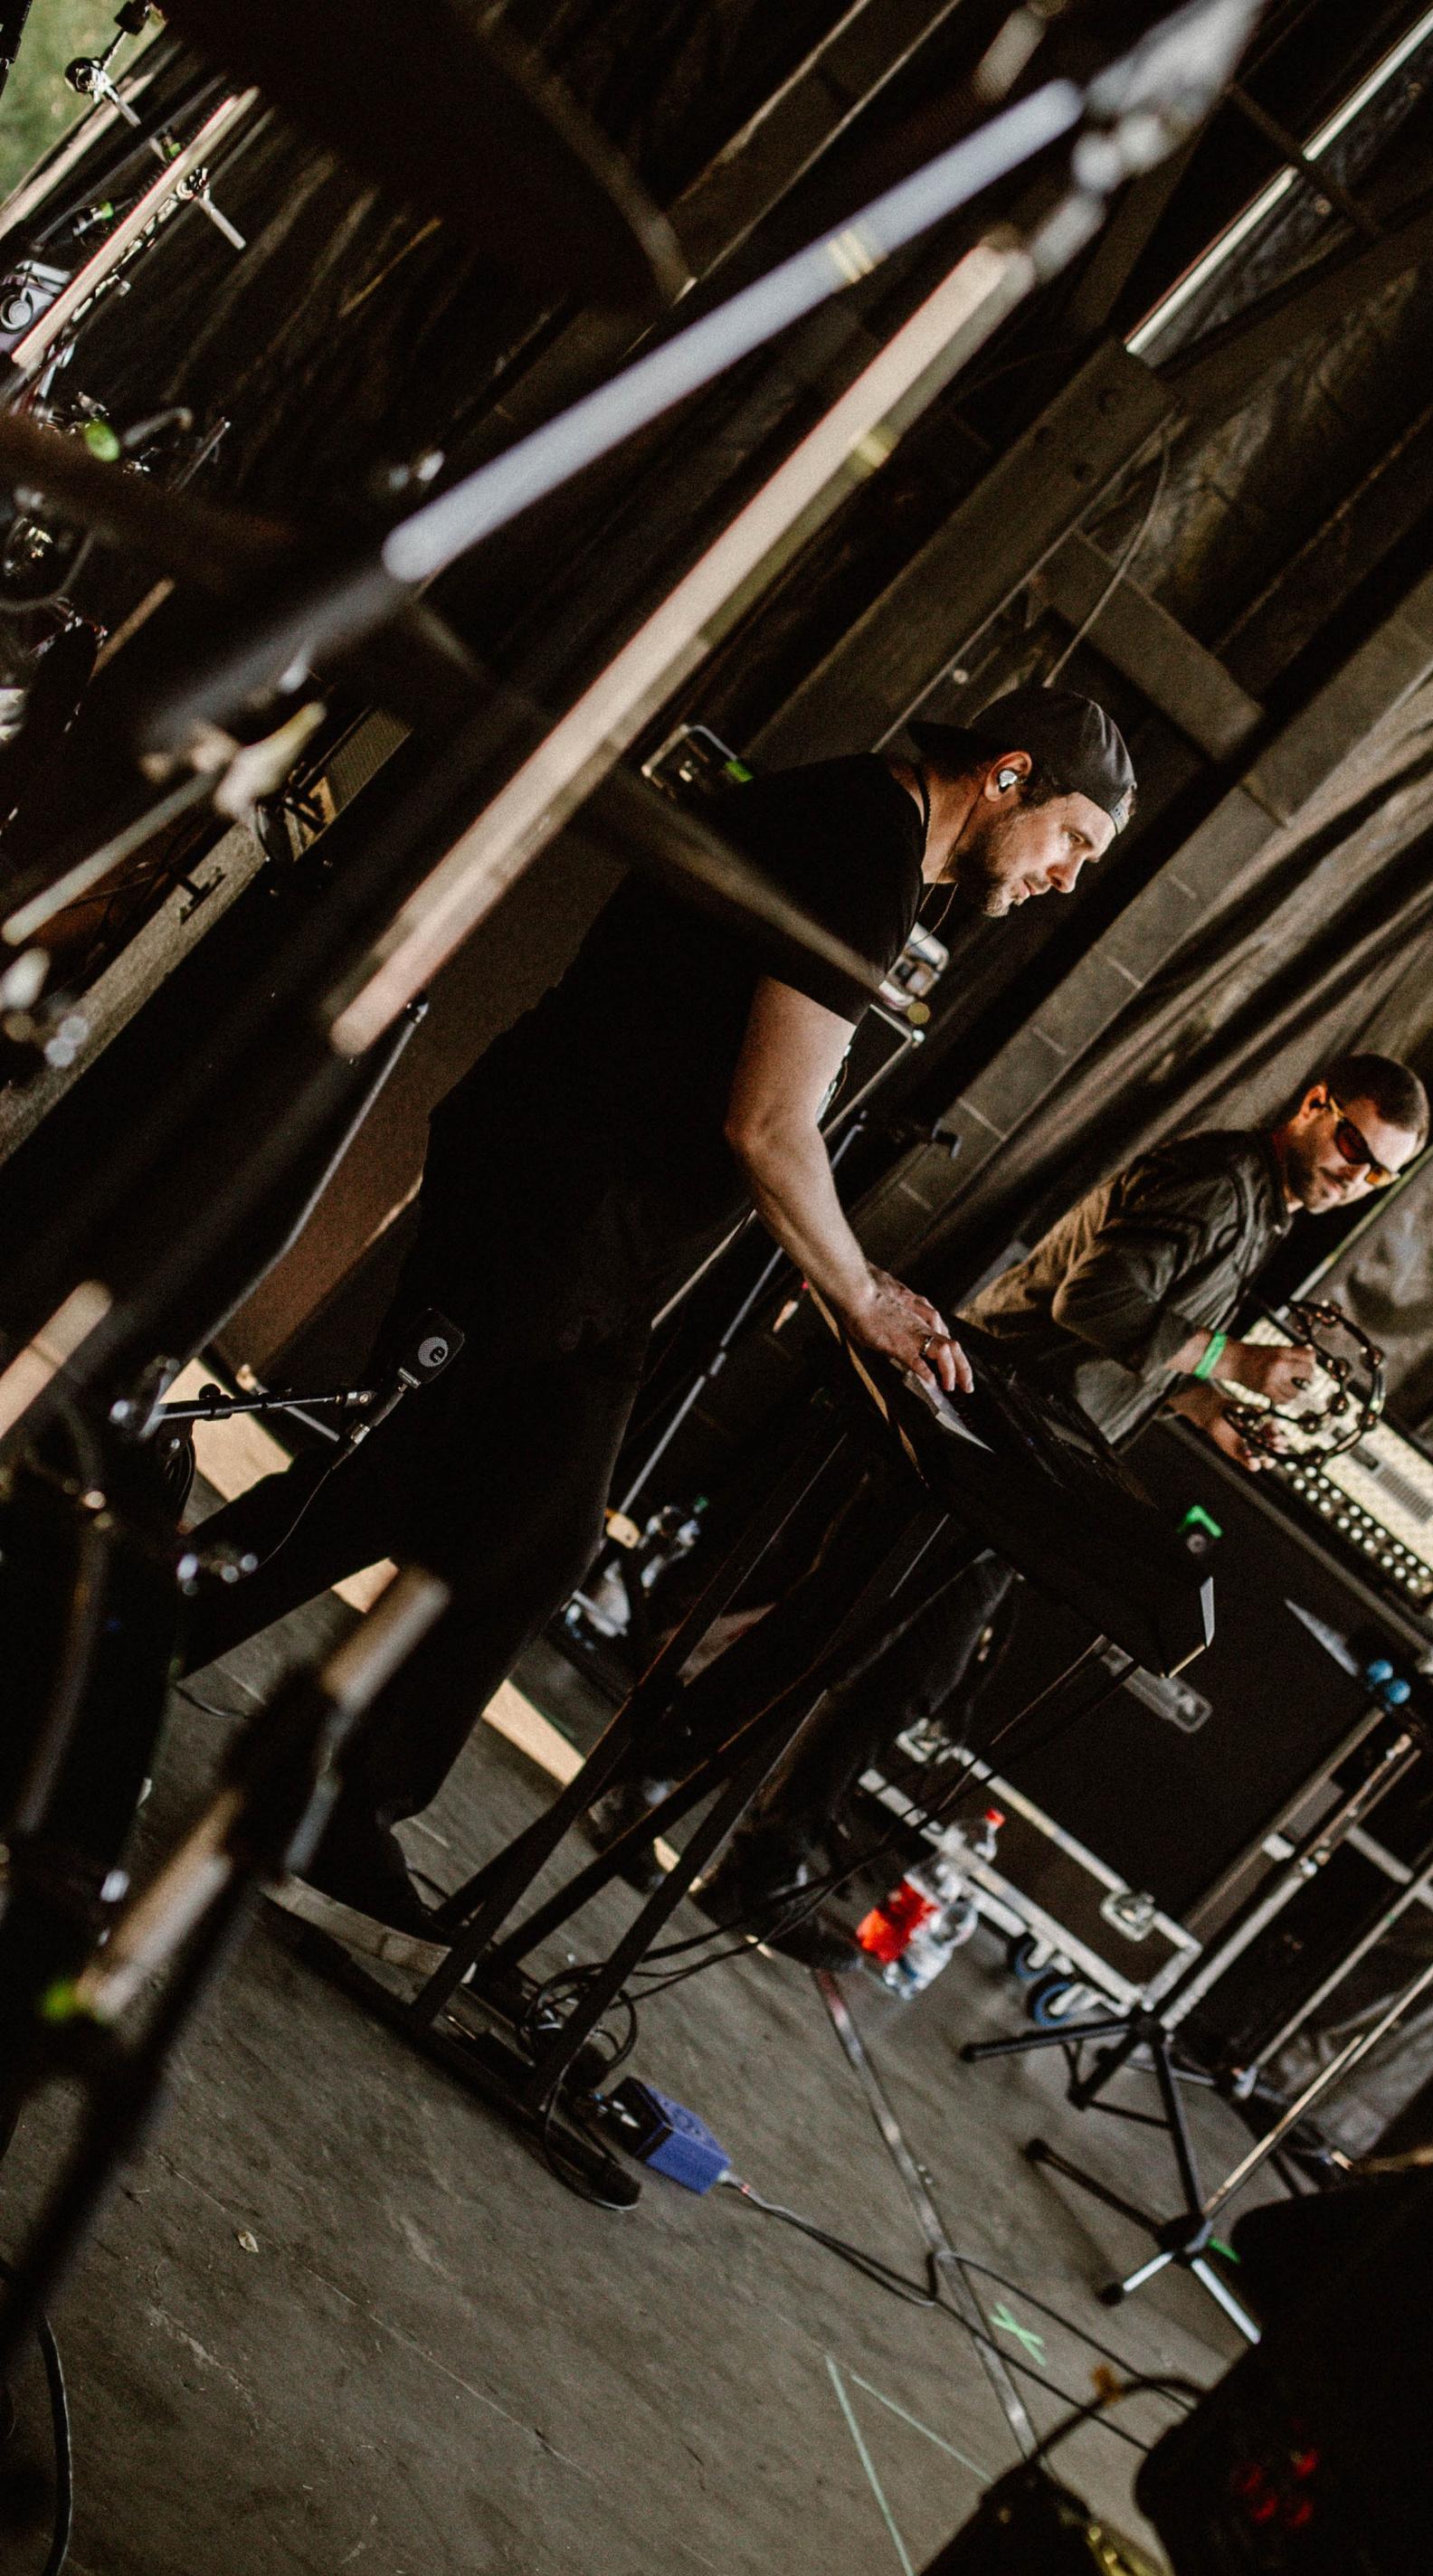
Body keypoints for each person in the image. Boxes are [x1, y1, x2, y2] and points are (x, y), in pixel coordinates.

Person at [176, 687, 1137, 1946]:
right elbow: (768, 1124)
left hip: (595, 1224)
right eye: (1075, 839)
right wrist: (859, 1296)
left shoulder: (870, 839)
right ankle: (181, 1680)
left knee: (497, 1516)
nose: (1068, 879)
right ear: (1010, 775)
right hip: (555, 1200)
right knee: (427, 1491)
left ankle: (308, 1767)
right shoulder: (860, 844)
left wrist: (846, 1269)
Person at [700, 1052, 1430, 1932]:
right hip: (987, 1434)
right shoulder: (1221, 1181)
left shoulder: (1259, 1212)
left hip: (1020, 1463)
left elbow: (1144, 1338)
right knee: (837, 1629)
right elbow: (1094, 1301)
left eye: (1378, 1173)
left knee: (899, 1666)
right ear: (1314, 1105)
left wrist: (1207, 1406)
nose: (1356, 1176)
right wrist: (1234, 1361)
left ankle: (761, 1858)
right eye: (1353, 1143)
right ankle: (674, 1790)